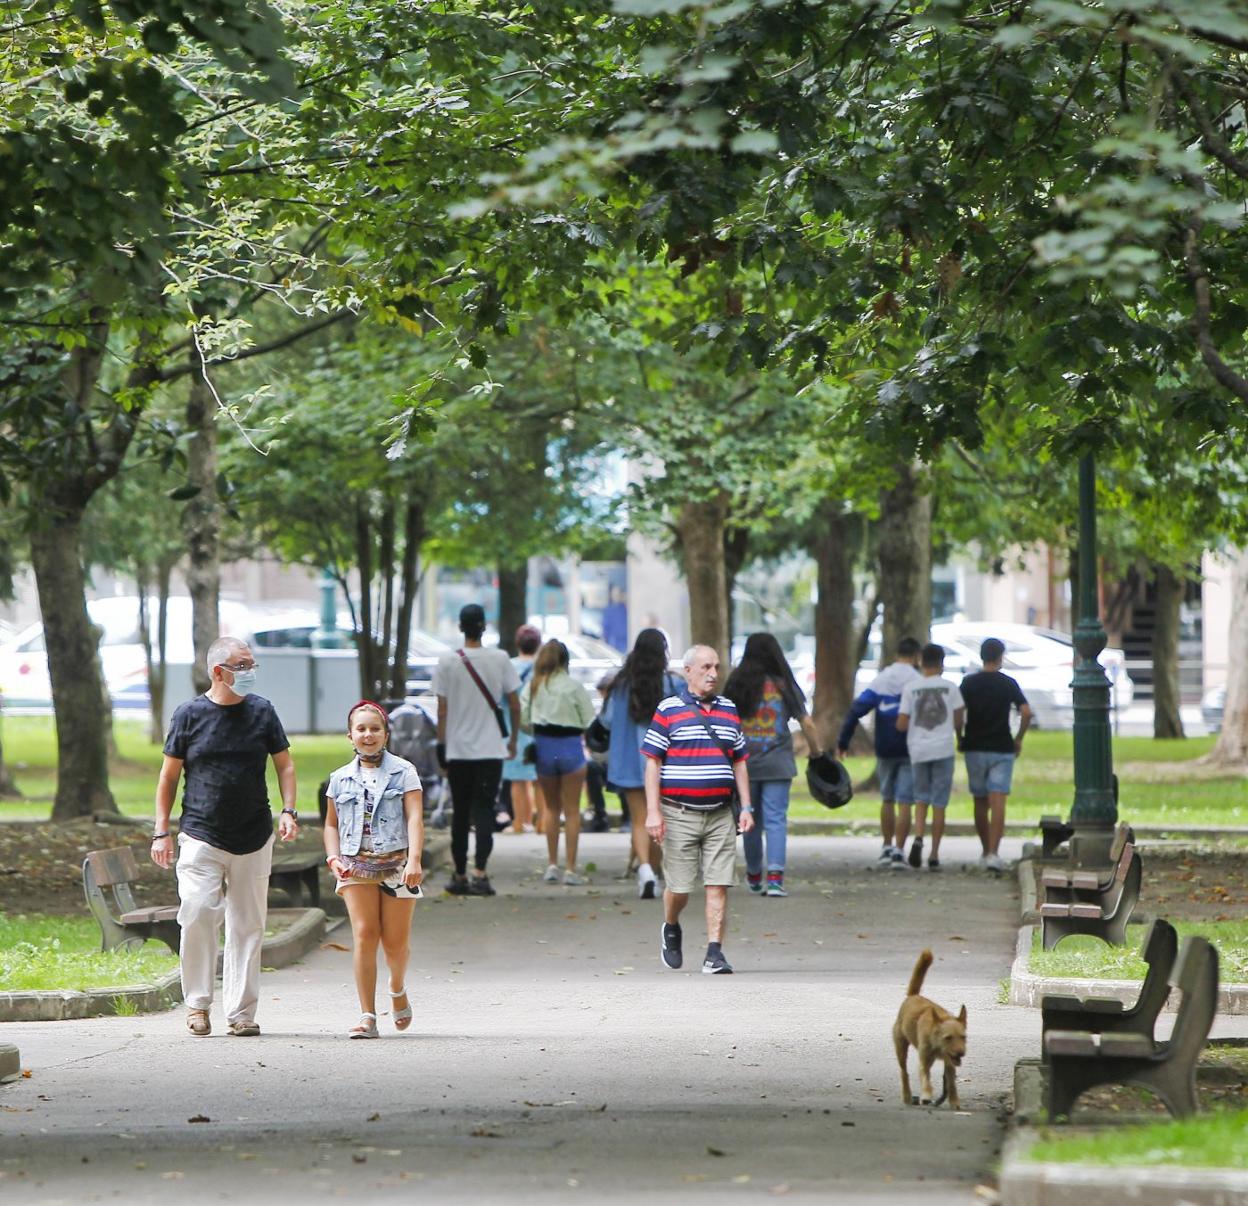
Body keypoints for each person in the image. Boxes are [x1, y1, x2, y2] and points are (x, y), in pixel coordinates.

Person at [151, 636, 297, 1038]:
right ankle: (197, 1005)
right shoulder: (189, 715)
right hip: (201, 833)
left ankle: (242, 1013)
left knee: (248, 925)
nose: (250, 673)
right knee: (197, 913)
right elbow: (168, 776)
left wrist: (289, 809)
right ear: (219, 672)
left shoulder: (263, 713)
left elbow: (284, 765)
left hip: (253, 833)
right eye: (242, 666)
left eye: (253, 665)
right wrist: (161, 831)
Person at [643, 645, 753, 975]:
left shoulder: (729, 710)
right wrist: (653, 811)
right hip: (678, 813)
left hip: (721, 813)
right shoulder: (668, 709)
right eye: (705, 667)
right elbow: (653, 762)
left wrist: (746, 806)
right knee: (679, 888)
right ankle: (671, 925)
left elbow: (740, 762)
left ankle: (714, 953)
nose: (713, 674)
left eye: (716, 667)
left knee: (718, 883)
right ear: (687, 671)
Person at [323, 701, 424, 1038]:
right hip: (354, 866)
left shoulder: (404, 771)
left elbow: (414, 817)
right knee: (365, 935)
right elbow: (330, 825)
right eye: (361, 729)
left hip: (397, 866)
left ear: (385, 734)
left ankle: (397, 989)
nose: (368, 735)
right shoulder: (338, 779)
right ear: (350, 735)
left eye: (375, 729)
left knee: (395, 943)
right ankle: (367, 1015)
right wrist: (332, 857)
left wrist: (415, 859)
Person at [724, 632, 822, 898]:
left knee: (749, 818)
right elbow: (807, 723)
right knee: (777, 818)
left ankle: (755, 873)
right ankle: (776, 879)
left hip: (743, 763)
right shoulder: (783, 685)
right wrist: (817, 752)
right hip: (777, 761)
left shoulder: (736, 682)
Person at [432, 603, 521, 897]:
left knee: (460, 814)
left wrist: (442, 746)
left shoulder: (447, 661)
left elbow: (442, 710)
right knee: (485, 810)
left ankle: (459, 875)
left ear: (460, 627)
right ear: (484, 627)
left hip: (458, 751)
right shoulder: (499, 659)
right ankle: (481, 873)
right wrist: (512, 739)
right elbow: (515, 702)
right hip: (491, 749)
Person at [600, 628, 683, 898]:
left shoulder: (621, 685)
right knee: (659, 819)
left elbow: (608, 721)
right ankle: (658, 873)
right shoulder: (673, 685)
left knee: (639, 819)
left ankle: (645, 870)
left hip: (628, 762)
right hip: (665, 763)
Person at [837, 636, 922, 869]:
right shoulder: (917, 681)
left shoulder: (882, 679)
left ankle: (886, 846)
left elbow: (856, 710)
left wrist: (843, 742)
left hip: (884, 748)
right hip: (910, 748)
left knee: (887, 798)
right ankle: (899, 852)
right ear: (916, 657)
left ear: (897, 655)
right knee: (906, 801)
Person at [521, 639, 596, 885]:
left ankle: (552, 864)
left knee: (551, 808)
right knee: (572, 810)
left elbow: (522, 717)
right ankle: (571, 869)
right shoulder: (574, 686)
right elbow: (588, 719)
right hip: (570, 747)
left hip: (545, 747)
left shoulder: (533, 686)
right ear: (566, 660)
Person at [957, 637, 1032, 874]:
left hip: (975, 746)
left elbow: (958, 712)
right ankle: (994, 853)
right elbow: (1026, 712)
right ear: (1001, 657)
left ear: (981, 656)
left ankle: (984, 849)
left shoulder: (968, 683)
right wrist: (1018, 738)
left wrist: (960, 736)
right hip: (1002, 746)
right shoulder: (1008, 683)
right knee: (998, 800)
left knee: (980, 801)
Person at [896, 643, 965, 872]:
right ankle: (934, 854)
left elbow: (902, 722)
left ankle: (918, 837)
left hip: (918, 749)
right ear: (941, 663)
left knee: (921, 798)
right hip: (943, 748)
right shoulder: (951, 688)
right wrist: (958, 735)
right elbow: (958, 719)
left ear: (920, 662)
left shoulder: (910, 688)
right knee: (939, 802)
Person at [501, 624, 542, 834]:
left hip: (514, 729)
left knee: (518, 780)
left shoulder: (509, 667)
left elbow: (501, 699)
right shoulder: (543, 668)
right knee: (538, 779)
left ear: (518, 644)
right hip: (540, 728)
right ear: (539, 644)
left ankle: (519, 822)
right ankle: (540, 823)